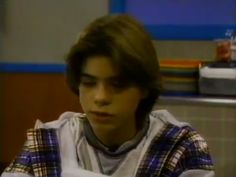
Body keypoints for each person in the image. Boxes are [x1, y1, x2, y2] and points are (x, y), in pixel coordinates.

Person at [1, 14, 214, 177]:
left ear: (144, 87)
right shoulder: (48, 146)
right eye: (89, 83)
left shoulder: (180, 147)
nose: (101, 97)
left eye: (118, 84)